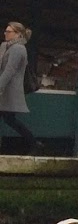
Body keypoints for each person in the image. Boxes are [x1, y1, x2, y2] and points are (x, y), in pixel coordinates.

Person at [0, 21, 36, 155]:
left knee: (10, 120)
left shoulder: (19, 49)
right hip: (4, 90)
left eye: (9, 32)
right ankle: (32, 143)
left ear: (18, 34)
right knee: (10, 120)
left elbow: (10, 70)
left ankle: (32, 143)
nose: (5, 34)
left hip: (9, 91)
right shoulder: (4, 46)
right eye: (5, 31)